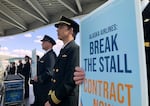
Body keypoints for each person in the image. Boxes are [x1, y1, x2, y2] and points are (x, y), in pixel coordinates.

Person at [45, 16, 80, 106]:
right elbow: (56, 77)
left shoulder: (74, 49)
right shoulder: (64, 49)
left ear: (71, 30)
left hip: (66, 101)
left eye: (61, 27)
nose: (57, 30)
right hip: (60, 99)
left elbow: (70, 81)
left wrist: (52, 100)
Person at [31, 35, 57, 106]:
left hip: (45, 89)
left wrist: (38, 78)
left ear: (49, 43)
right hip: (41, 88)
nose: (42, 43)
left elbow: (50, 72)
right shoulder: (46, 55)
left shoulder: (51, 55)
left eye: (44, 42)